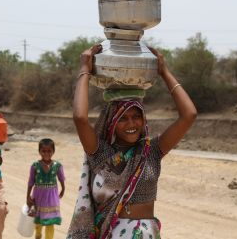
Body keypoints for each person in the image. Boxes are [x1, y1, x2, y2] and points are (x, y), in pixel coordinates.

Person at [67, 45, 197, 238]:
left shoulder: (151, 151)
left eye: (136, 116)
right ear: (112, 123)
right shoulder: (101, 154)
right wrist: (85, 69)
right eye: (123, 118)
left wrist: (164, 71)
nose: (131, 123)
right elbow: (80, 118)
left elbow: (189, 114)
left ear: (144, 119)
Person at [27, 138, 66, 239]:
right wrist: (28, 197)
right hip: (38, 196)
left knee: (50, 221)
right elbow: (31, 182)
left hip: (52, 197)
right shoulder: (35, 166)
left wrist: (63, 189)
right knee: (38, 219)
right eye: (43, 151)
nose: (46, 153)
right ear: (39, 151)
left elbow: (61, 179)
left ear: (53, 151)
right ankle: (38, 235)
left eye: (49, 151)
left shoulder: (57, 166)